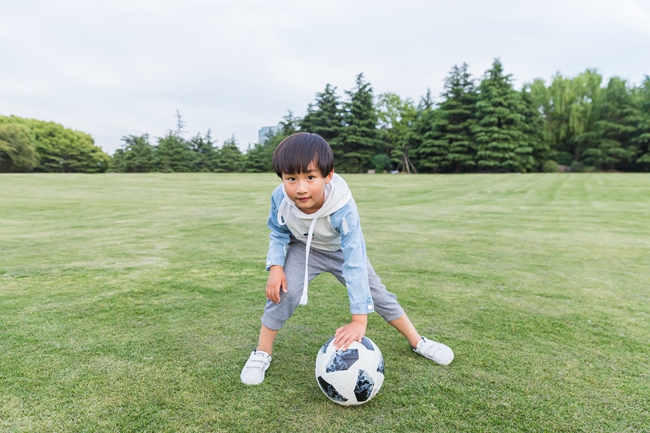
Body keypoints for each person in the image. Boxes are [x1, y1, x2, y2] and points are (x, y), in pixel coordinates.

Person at [240, 132, 454, 385]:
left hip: (342, 251)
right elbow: (278, 231)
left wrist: (358, 320)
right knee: (285, 292)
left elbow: (354, 262)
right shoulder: (279, 197)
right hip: (303, 248)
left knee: (379, 294)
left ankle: (418, 341)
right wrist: (276, 267)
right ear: (281, 177)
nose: (300, 188)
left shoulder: (343, 207)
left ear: (328, 176)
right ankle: (262, 352)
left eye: (310, 177)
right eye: (291, 178)